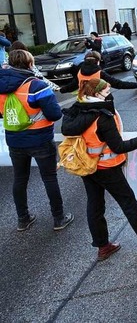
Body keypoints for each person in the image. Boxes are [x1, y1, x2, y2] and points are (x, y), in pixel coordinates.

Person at [61, 78, 137, 261]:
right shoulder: (103, 117)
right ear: (96, 94)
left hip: (87, 166)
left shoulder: (76, 110)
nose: (110, 95)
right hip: (107, 168)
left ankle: (103, 246)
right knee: (129, 203)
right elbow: (119, 147)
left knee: (95, 206)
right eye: (106, 92)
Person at [0, 50, 74, 232]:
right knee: (49, 178)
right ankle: (59, 218)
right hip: (40, 139)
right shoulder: (36, 85)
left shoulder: (1, 86)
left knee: (19, 179)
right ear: (29, 64)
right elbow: (55, 114)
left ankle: (23, 219)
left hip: (14, 140)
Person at [59, 51, 137, 94]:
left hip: (82, 102)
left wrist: (61, 90)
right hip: (98, 102)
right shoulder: (100, 73)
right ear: (98, 61)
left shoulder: (80, 72)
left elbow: (71, 86)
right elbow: (119, 84)